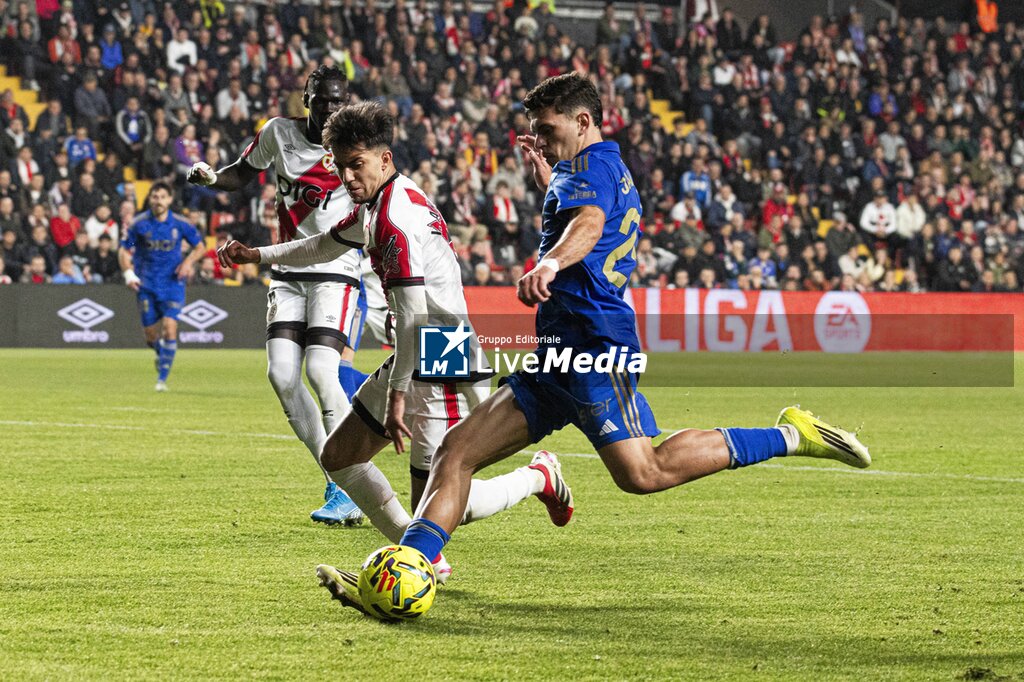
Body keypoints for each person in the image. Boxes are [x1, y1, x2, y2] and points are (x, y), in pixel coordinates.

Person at [310, 74, 872, 615]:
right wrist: (548, 180)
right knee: (456, 453)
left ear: (583, 121)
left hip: (595, 347)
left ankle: (790, 434)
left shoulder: (590, 168)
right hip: (557, 353)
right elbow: (579, 210)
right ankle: (406, 569)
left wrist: (552, 259)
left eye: (549, 130)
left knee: (643, 472)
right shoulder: (592, 166)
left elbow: (591, 221)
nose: (542, 141)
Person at [216, 101, 575, 585]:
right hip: (422, 350)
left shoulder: (394, 219)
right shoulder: (379, 204)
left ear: (384, 159)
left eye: (355, 164)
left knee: (447, 500)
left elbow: (414, 316)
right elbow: (323, 243)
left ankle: (538, 478)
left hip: (440, 351)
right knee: (340, 457)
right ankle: (421, 553)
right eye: (340, 166)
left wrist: (399, 396)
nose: (346, 176)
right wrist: (257, 254)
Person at [186, 65, 366, 526]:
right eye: (322, 99)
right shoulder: (278, 134)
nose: (329, 107)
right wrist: (209, 177)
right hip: (287, 271)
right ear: (306, 98)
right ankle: (336, 481)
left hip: (335, 270)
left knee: (323, 371)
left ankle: (356, 482)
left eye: (337, 100)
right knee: (282, 375)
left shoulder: (355, 143)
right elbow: (239, 174)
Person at [117, 182, 206, 391]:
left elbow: (200, 247)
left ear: (170, 199)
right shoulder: (139, 224)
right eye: (155, 197)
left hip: (173, 283)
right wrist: (128, 274)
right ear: (150, 199)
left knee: (170, 327)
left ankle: (161, 380)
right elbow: (123, 251)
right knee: (150, 336)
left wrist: (187, 263)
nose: (158, 201)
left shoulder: (180, 224)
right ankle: (160, 353)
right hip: (146, 284)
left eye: (162, 197)